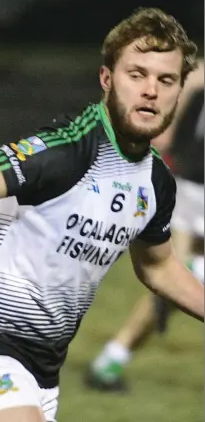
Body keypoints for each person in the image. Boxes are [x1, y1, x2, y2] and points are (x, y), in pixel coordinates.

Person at [0, 7, 204, 422]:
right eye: (136, 74)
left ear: (181, 91)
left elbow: (157, 266)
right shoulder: (68, 152)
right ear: (107, 79)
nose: (150, 91)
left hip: (44, 367)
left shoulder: (155, 180)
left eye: (165, 80)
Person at [86, 60, 204, 392]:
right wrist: (165, 133)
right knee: (172, 276)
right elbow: (192, 80)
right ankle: (113, 356)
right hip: (195, 184)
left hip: (192, 179)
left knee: (173, 279)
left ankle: (113, 356)